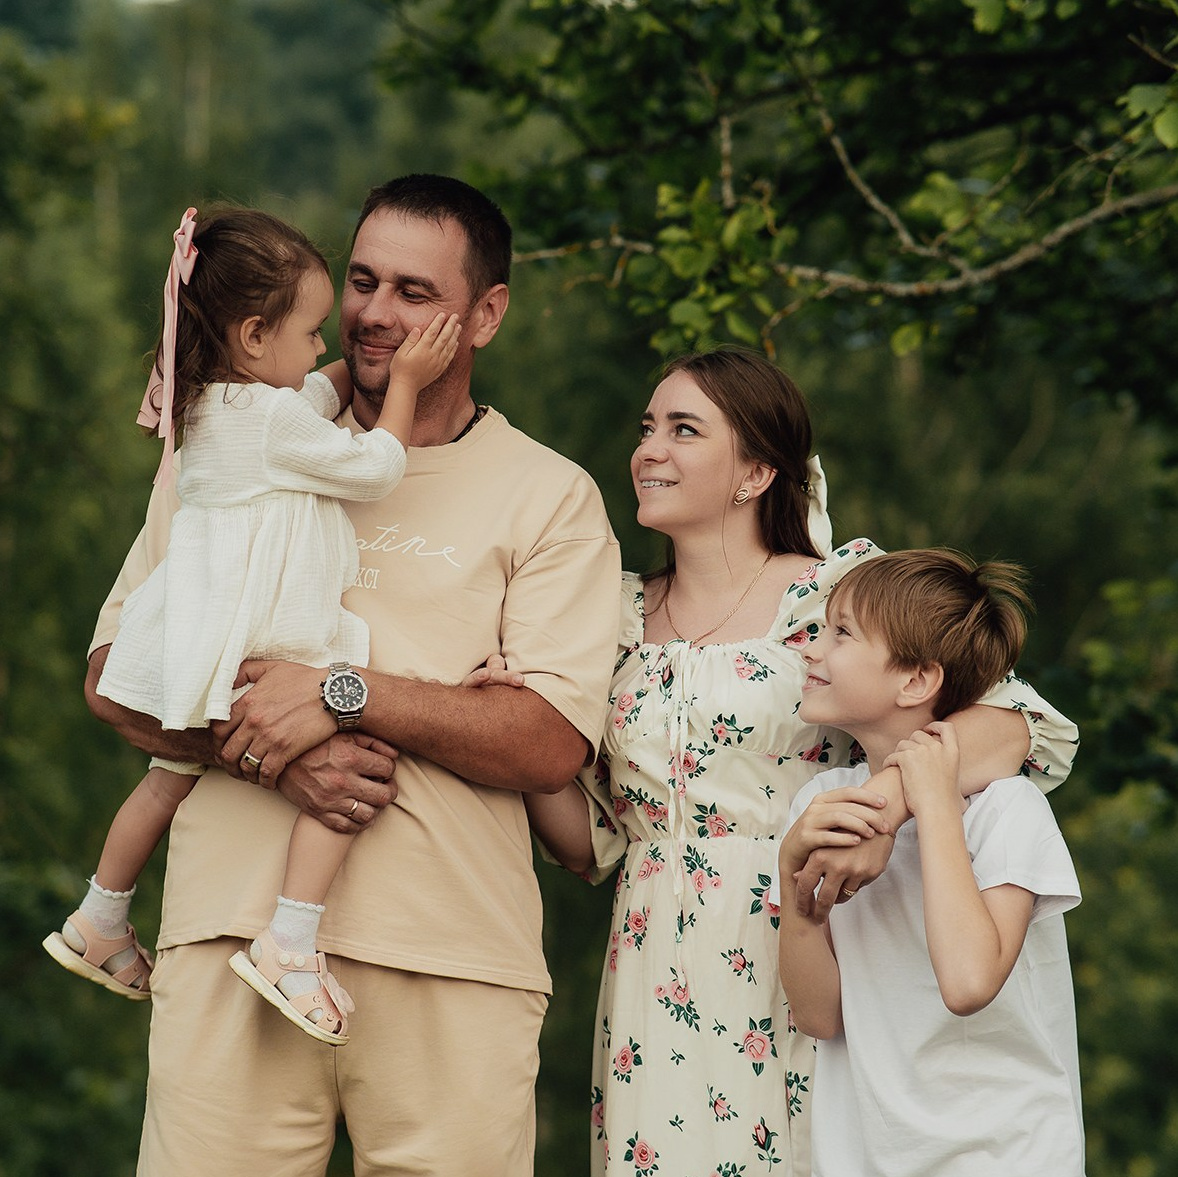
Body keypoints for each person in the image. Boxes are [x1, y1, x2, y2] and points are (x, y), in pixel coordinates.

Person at [83, 176, 621, 1175]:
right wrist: (268, 759)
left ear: (485, 312)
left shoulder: (550, 495)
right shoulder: (227, 446)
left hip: (453, 958)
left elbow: (547, 736)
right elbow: (115, 677)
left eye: (414, 292)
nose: (375, 312)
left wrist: (340, 694)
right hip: (230, 937)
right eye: (363, 280)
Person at [520, 348, 1078, 1177]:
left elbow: (1023, 721)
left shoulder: (835, 596)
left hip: (807, 937)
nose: (649, 450)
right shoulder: (615, 616)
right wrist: (522, 732)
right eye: (647, 429)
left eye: (683, 429)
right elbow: (591, 843)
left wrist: (887, 804)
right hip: (653, 962)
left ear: (755, 473)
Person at [45, 206, 460, 1045]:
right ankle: (290, 942)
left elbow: (308, 390)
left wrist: (359, 363)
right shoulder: (275, 421)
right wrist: (404, 383)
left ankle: (99, 914)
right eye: (312, 331)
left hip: (200, 638)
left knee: (164, 777)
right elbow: (374, 467)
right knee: (351, 778)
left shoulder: (209, 406)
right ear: (252, 333)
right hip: (274, 637)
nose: (322, 348)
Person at [776, 549, 1084, 1176]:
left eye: (841, 633)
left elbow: (969, 983)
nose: (810, 648)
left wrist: (932, 803)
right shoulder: (820, 802)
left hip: (1010, 1155)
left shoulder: (1007, 809)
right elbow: (818, 1015)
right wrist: (793, 890)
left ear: (916, 680)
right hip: (866, 1154)